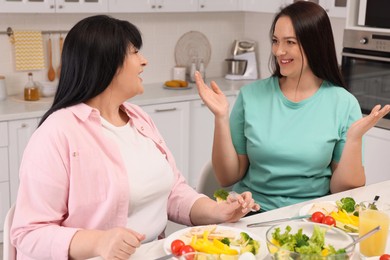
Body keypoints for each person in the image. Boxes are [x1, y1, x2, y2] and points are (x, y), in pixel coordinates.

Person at [10, 15, 260, 260]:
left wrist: (219, 212)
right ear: (106, 64)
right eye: (134, 52)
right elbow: (29, 233)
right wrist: (99, 242)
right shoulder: (57, 133)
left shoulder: (138, 118)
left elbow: (173, 193)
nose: (144, 61)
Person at [195, 1, 390, 213]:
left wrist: (353, 140)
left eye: (290, 42)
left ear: (314, 44)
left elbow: (342, 190)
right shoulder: (250, 96)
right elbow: (227, 177)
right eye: (275, 41)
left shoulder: (343, 103)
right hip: (252, 214)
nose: (279, 51)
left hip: (313, 218)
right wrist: (221, 118)